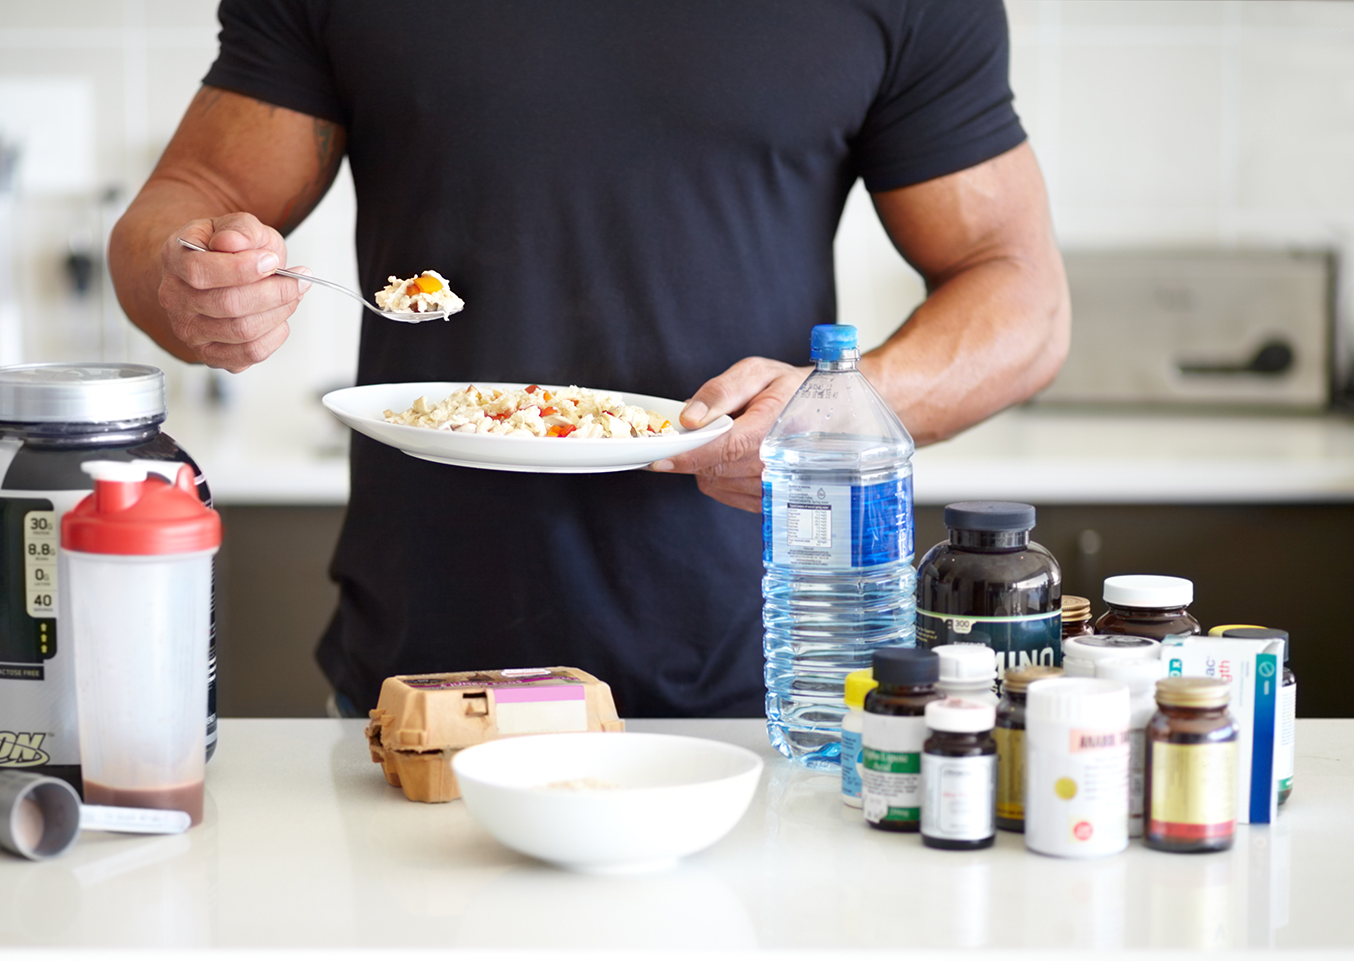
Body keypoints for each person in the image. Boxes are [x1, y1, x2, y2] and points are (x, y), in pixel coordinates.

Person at [109, 0, 1069, 718]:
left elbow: (1022, 297)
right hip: (419, 686)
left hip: (757, 690)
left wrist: (836, 418)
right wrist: (185, 273)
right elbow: (186, 201)